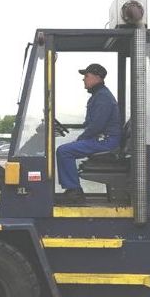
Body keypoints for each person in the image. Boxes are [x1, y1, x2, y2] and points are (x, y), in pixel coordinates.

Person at [56, 63, 122, 204]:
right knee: (65, 150)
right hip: (103, 139)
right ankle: (72, 189)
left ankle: (74, 193)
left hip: (106, 141)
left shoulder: (103, 97)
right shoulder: (98, 95)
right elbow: (91, 125)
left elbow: (97, 125)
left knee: (64, 151)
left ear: (97, 78)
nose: (83, 79)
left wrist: (80, 140)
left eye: (86, 76)